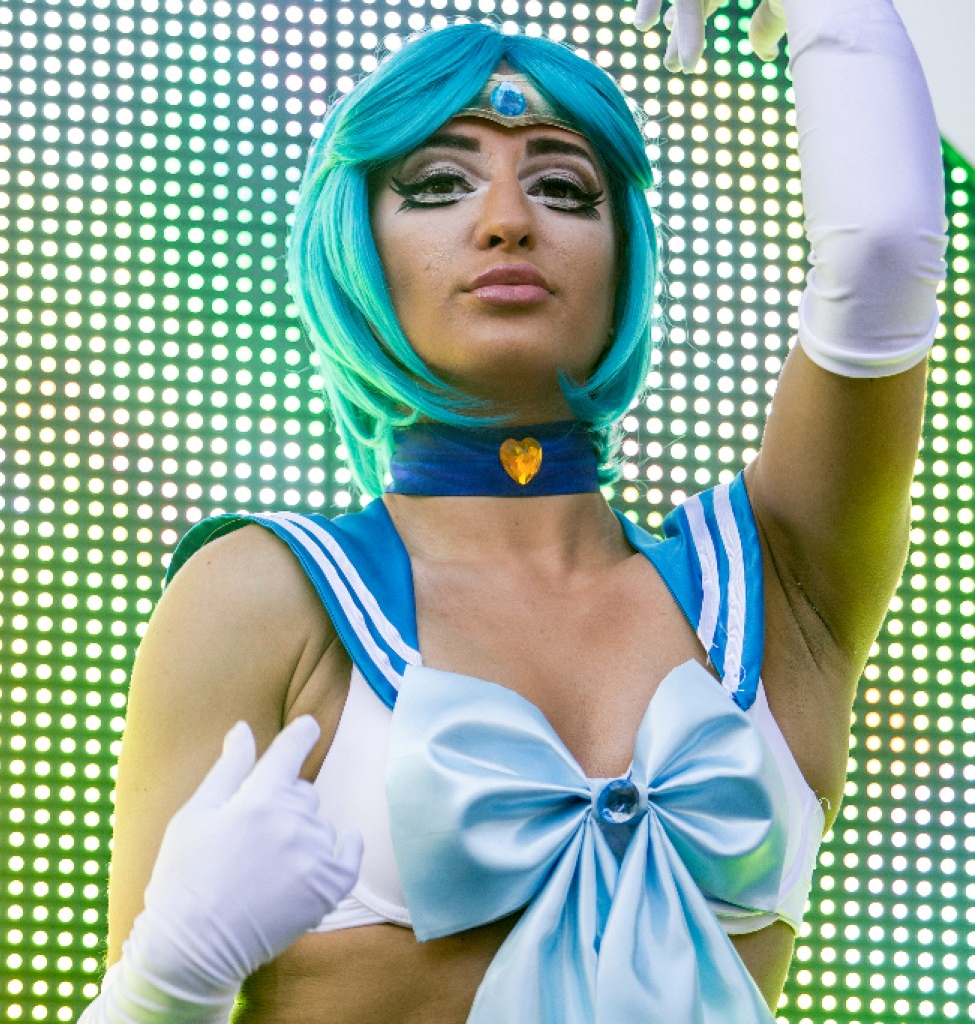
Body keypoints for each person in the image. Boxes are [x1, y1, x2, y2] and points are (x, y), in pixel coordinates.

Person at [79, 0, 948, 1020]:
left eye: (563, 188)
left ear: (625, 253)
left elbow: (883, 255)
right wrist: (167, 981)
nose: (507, 220)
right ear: (356, 241)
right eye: (439, 184)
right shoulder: (264, 597)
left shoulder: (774, 579)